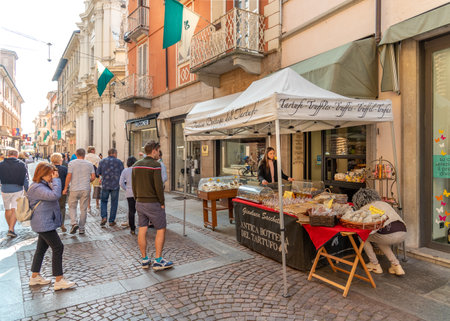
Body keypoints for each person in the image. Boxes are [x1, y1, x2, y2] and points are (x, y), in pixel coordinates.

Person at [28, 162, 75, 290]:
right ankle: (59, 280)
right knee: (58, 247)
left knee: (41, 249)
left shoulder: (41, 185)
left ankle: (34, 276)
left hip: (44, 222)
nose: (52, 177)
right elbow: (55, 195)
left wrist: (52, 181)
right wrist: (56, 180)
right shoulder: (37, 187)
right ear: (43, 174)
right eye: (50, 174)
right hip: (44, 223)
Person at [132, 141, 173, 270]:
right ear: (154, 151)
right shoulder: (155, 165)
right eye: (158, 151)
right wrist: (162, 203)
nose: (159, 154)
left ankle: (144, 259)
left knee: (142, 229)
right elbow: (158, 187)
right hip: (153, 202)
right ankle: (158, 260)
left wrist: (137, 198)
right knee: (161, 229)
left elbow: (133, 185)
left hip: (139, 202)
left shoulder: (136, 165)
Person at [352, 188, 407, 276]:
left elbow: (365, 227)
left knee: (362, 237)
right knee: (380, 239)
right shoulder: (384, 203)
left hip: (388, 234)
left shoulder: (364, 208)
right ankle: (396, 265)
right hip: (403, 231)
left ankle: (374, 263)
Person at [63, 148, 95, 235]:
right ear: (84, 155)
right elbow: (93, 177)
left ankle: (74, 223)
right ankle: (81, 228)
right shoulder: (89, 164)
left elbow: (69, 176)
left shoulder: (72, 163)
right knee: (83, 209)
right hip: (85, 188)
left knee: (72, 206)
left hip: (74, 188)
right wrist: (88, 181)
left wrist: (65, 188)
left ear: (76, 155)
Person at [0, 149, 29, 237]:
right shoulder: (22, 164)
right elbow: (25, 179)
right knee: (15, 209)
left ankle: (10, 228)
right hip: (17, 189)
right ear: (16, 155)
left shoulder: (1, 164)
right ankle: (11, 229)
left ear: (8, 155)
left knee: (7, 209)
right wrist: (28, 190)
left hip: (4, 189)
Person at [97, 148, 124, 227]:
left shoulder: (102, 161)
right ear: (115, 154)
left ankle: (104, 217)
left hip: (105, 184)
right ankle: (111, 221)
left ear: (108, 153)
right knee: (114, 203)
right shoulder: (119, 162)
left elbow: (98, 172)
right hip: (115, 185)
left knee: (103, 201)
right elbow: (123, 173)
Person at [120, 156, 137, 234]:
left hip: (129, 193)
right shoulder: (137, 170)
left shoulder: (125, 170)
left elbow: (121, 182)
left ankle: (132, 228)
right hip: (138, 192)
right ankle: (144, 226)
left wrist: (126, 189)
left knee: (131, 210)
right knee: (141, 210)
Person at [51, 153, 68, 233]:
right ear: (59, 160)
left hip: (51, 191)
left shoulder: (49, 168)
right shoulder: (64, 169)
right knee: (62, 207)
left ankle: (52, 224)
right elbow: (67, 180)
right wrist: (65, 188)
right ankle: (62, 224)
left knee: (51, 208)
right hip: (62, 191)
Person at [85, 146, 101, 212]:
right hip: (96, 175)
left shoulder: (85, 157)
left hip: (87, 175)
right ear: (92, 150)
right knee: (97, 189)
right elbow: (99, 167)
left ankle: (88, 206)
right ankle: (97, 204)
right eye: (94, 150)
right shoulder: (97, 157)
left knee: (88, 191)